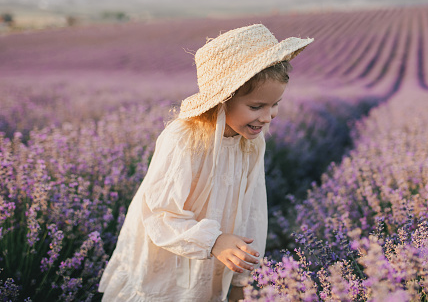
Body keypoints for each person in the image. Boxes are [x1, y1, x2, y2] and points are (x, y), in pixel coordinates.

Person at [98, 24, 313, 301]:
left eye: (275, 104)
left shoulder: (251, 142)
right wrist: (212, 240)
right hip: (168, 257)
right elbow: (160, 213)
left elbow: (253, 210)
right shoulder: (184, 138)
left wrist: (241, 279)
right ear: (222, 101)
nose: (268, 117)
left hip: (218, 258)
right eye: (256, 107)